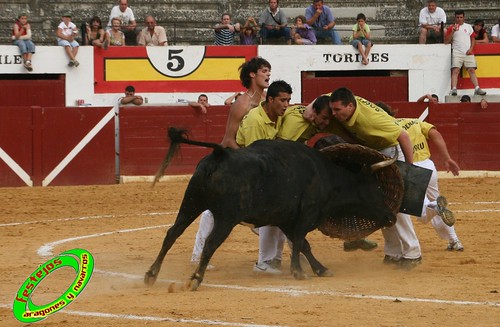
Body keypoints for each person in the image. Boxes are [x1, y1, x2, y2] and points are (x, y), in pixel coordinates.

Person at [328, 87, 424, 269]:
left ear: (350, 106)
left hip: (391, 153)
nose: (333, 114)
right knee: (381, 204)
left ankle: (413, 253)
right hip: (375, 154)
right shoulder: (339, 102)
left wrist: (410, 170)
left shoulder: (372, 120)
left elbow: (403, 136)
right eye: (332, 110)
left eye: (337, 110)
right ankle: (393, 252)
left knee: (398, 205)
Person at [190, 57, 271, 268]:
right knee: (215, 209)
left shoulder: (267, 101)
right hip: (235, 162)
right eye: (264, 70)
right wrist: (249, 160)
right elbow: (228, 140)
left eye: (269, 70)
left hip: (257, 163)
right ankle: (198, 254)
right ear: (252, 74)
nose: (268, 74)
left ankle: (269, 258)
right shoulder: (242, 103)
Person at [377, 102, 463, 252]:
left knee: (422, 213)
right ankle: (454, 240)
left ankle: (435, 207)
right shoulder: (414, 121)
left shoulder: (385, 128)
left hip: (410, 167)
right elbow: (435, 134)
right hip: (429, 167)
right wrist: (447, 158)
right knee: (437, 204)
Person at [236, 80, 293, 274]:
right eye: (282, 100)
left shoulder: (279, 116)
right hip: (246, 171)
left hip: (267, 170)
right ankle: (265, 261)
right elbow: (255, 159)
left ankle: (273, 259)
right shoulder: (255, 121)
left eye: (288, 100)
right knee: (273, 213)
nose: (286, 105)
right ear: (270, 100)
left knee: (280, 214)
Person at [445, 10, 486, 96]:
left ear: (464, 18)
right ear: (455, 18)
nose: (459, 19)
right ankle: (454, 89)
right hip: (457, 52)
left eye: (461, 17)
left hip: (468, 52)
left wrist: (471, 48)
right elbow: (446, 41)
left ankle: (477, 88)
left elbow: (473, 39)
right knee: (455, 70)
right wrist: (453, 31)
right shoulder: (451, 27)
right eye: (457, 17)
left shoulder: (468, 27)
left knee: (472, 70)